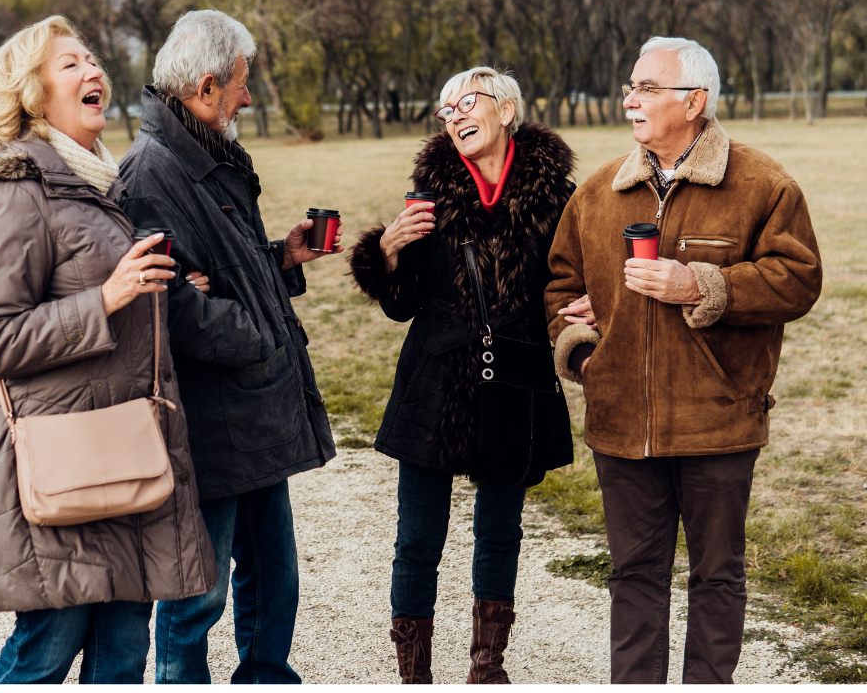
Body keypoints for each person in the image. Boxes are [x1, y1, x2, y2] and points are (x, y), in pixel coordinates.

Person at [0, 14, 216, 684]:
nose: (93, 70)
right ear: (33, 94)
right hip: (63, 458)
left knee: (124, 654)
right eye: (70, 63)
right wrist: (108, 298)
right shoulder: (11, 190)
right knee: (45, 649)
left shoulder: (98, 184)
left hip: (124, 450)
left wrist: (161, 289)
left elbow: (98, 282)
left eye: (92, 58)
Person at [545, 36, 822, 684]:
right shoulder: (596, 195)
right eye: (630, 87)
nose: (629, 99)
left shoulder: (763, 186)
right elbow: (561, 287)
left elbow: (797, 279)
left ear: (694, 102)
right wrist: (586, 356)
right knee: (634, 577)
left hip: (718, 422)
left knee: (717, 577)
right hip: (621, 425)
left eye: (647, 88)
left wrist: (702, 285)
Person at [118, 9, 338, 684]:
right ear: (207, 85)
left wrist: (282, 258)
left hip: (256, 408)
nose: (249, 96)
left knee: (275, 573)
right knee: (197, 593)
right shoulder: (150, 172)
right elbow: (169, 304)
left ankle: (267, 677)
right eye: (242, 84)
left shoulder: (209, 155)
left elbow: (224, 276)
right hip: (210, 421)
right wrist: (259, 333)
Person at [348, 67, 576, 683]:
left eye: (465, 103)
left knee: (501, 531)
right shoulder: (430, 192)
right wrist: (389, 251)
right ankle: (414, 674)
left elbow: (569, 283)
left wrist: (582, 308)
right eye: (445, 109)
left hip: (517, 382)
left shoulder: (558, 195)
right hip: (436, 382)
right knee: (418, 537)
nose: (453, 116)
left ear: (506, 110)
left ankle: (486, 665)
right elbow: (402, 303)